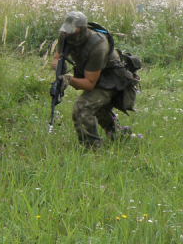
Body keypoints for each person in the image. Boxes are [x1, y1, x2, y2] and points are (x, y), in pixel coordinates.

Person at [50, 11, 133, 148]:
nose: (67, 34)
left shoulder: (98, 46)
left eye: (71, 31)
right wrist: (59, 66)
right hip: (91, 73)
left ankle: (92, 149)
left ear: (82, 29)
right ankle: (118, 134)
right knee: (99, 108)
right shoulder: (65, 35)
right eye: (66, 30)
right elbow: (56, 59)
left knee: (82, 107)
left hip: (110, 78)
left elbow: (89, 83)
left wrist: (69, 79)